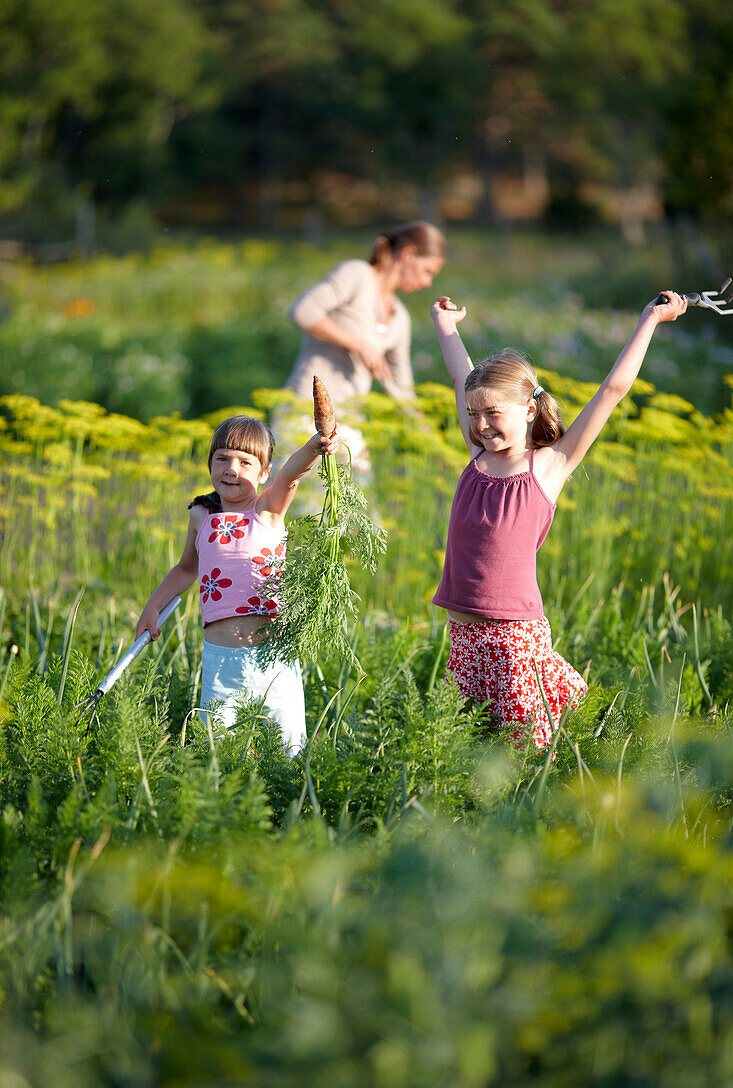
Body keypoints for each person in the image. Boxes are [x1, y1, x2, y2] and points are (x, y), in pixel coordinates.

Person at [430, 290, 688, 749]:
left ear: (529, 410)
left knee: (523, 751)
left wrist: (650, 319)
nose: (481, 425)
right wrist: (446, 327)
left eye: (493, 413)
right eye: (473, 414)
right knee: (463, 748)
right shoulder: (477, 458)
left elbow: (612, 390)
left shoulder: (549, 466)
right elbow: (460, 374)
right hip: (463, 637)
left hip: (512, 636)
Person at [135, 414, 338, 754]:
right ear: (210, 464)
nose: (232, 468)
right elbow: (186, 569)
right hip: (220, 661)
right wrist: (152, 608)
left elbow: (291, 474)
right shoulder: (202, 516)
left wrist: (313, 447)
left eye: (245, 462)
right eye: (223, 458)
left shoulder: (268, 510)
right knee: (216, 753)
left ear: (263, 472)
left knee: (288, 751)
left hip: (273, 659)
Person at [285, 220, 447, 405]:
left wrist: (419, 420)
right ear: (407, 253)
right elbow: (302, 311)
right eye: (428, 271)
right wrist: (359, 346)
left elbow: (402, 386)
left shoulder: (401, 317)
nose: (428, 283)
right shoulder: (357, 274)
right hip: (306, 407)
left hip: (350, 417)